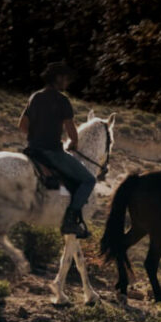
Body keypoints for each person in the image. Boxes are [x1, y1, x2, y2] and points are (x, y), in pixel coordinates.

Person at [19, 73, 96, 236]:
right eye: (66, 78)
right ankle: (69, 222)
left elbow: (22, 125)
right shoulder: (62, 100)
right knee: (89, 180)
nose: (67, 82)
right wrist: (73, 143)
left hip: (32, 149)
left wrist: (36, 137)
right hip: (52, 152)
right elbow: (70, 130)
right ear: (58, 79)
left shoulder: (35, 97)